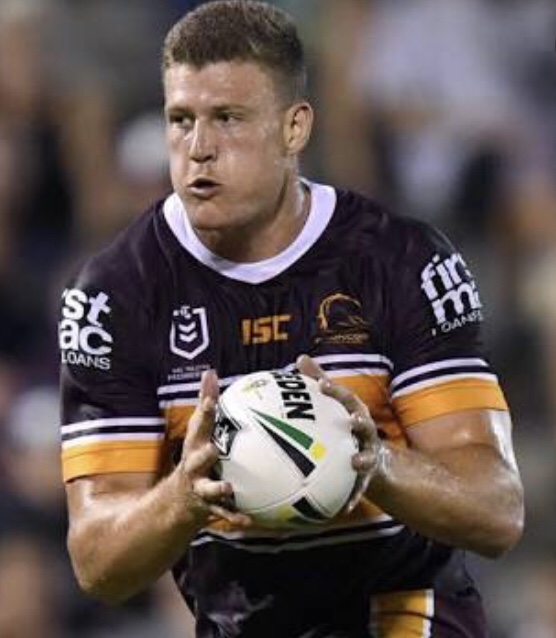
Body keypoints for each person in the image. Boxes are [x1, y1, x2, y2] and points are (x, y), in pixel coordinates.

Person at [58, 2, 525, 636]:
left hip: (405, 617)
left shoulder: (403, 262)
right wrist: (183, 497)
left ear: (295, 128)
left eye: (227, 119)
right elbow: (97, 563)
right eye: (181, 120)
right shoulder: (114, 294)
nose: (198, 149)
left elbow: (497, 511)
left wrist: (374, 463)